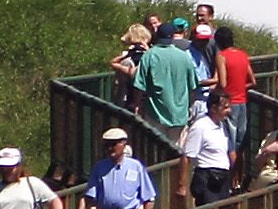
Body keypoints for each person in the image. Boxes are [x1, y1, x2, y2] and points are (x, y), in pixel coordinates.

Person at [134, 19, 201, 151]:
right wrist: (188, 107)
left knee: (156, 152)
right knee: (177, 154)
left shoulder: (149, 55)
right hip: (179, 115)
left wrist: (137, 107)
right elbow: (193, 87)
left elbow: (139, 86)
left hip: (155, 114)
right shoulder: (184, 57)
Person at [86, 128, 158, 209]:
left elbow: (148, 197)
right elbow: (92, 198)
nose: (110, 148)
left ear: (123, 144)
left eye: (113, 144)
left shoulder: (136, 166)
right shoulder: (99, 167)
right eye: (107, 145)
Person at [216, 34, 257, 161]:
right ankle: (239, 176)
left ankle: (231, 178)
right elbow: (253, 81)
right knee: (240, 143)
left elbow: (222, 83)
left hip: (229, 103)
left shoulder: (221, 56)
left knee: (230, 144)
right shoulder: (243, 54)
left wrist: (214, 90)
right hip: (242, 102)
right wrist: (240, 86)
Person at [179, 111, 234, 203]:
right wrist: (182, 185)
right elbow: (186, 156)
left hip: (223, 179)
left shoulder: (223, 125)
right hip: (206, 178)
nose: (229, 110)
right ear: (214, 108)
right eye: (225, 107)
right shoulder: (200, 126)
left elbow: (231, 152)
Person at [109, 25, 152, 113]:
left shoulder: (127, 60)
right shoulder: (150, 58)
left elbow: (113, 63)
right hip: (142, 100)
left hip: (128, 100)